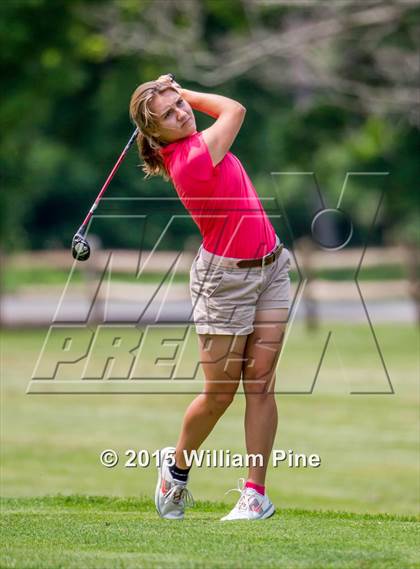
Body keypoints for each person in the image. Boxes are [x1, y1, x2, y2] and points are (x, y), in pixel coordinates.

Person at [129, 74, 291, 521]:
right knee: (220, 394)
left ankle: (255, 495)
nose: (181, 113)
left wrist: (174, 95)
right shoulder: (191, 158)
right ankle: (175, 468)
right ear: (155, 133)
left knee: (261, 383)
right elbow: (235, 109)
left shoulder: (197, 143)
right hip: (225, 283)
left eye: (179, 106)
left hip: (272, 267)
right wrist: (186, 90)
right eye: (169, 113)